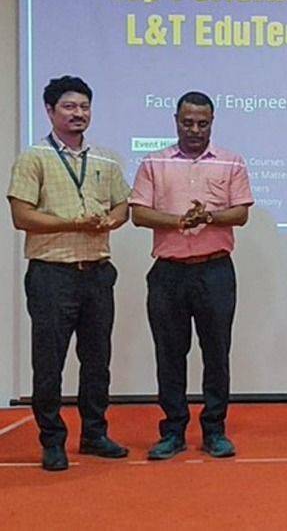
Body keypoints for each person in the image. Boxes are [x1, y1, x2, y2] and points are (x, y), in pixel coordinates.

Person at [7, 75, 131, 471]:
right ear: (50, 111)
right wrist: (73, 224)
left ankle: (94, 434)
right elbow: (22, 216)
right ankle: (52, 440)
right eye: (69, 106)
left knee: (97, 360)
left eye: (84, 107)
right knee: (49, 362)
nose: (78, 113)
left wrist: (110, 220)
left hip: (97, 273)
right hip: (52, 274)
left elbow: (123, 206)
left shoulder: (106, 159)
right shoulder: (34, 158)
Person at [130, 91, 254, 460]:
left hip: (215, 271)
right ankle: (173, 431)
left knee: (216, 353)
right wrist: (179, 221)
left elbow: (241, 213)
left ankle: (214, 430)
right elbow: (139, 213)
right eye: (188, 123)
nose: (195, 130)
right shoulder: (154, 162)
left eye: (202, 123)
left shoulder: (231, 161)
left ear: (212, 123)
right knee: (170, 354)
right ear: (176, 121)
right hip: (168, 273)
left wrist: (208, 216)